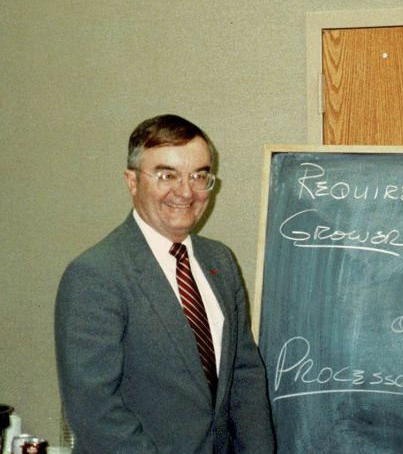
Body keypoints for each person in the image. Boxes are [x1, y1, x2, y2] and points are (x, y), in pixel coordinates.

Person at [55, 115, 275, 453]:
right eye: (167, 175)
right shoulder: (96, 274)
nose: (186, 191)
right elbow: (94, 411)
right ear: (132, 181)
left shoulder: (221, 262)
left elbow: (245, 378)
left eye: (199, 176)